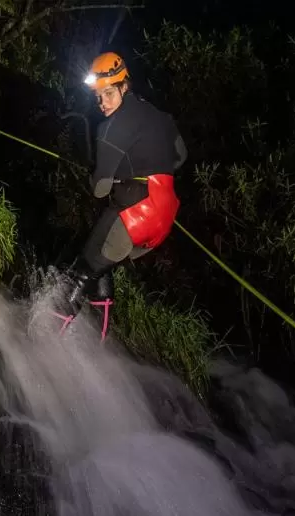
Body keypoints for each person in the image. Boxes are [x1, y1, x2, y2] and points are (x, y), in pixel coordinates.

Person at [51, 51, 188, 341]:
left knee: (83, 269)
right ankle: (100, 341)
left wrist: (104, 173)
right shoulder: (160, 116)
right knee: (102, 265)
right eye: (98, 96)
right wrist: (139, 167)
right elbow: (180, 156)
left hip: (133, 213)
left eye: (109, 93)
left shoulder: (109, 128)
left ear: (125, 86)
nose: (102, 103)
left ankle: (42, 340)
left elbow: (99, 188)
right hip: (165, 216)